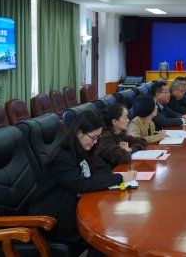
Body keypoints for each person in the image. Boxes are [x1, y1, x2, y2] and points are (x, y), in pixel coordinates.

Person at [29, 110, 136, 256]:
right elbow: (81, 184)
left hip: (75, 207)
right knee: (106, 236)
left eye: (97, 138)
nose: (95, 142)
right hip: (55, 219)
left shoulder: (84, 149)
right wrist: (119, 178)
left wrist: (106, 177)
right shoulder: (62, 157)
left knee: (114, 225)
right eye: (93, 138)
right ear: (79, 133)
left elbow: (102, 169)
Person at [96, 103, 148, 168]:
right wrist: (126, 151)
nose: (128, 120)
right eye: (125, 118)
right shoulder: (104, 138)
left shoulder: (120, 133)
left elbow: (142, 141)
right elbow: (124, 157)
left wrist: (130, 149)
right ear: (114, 122)